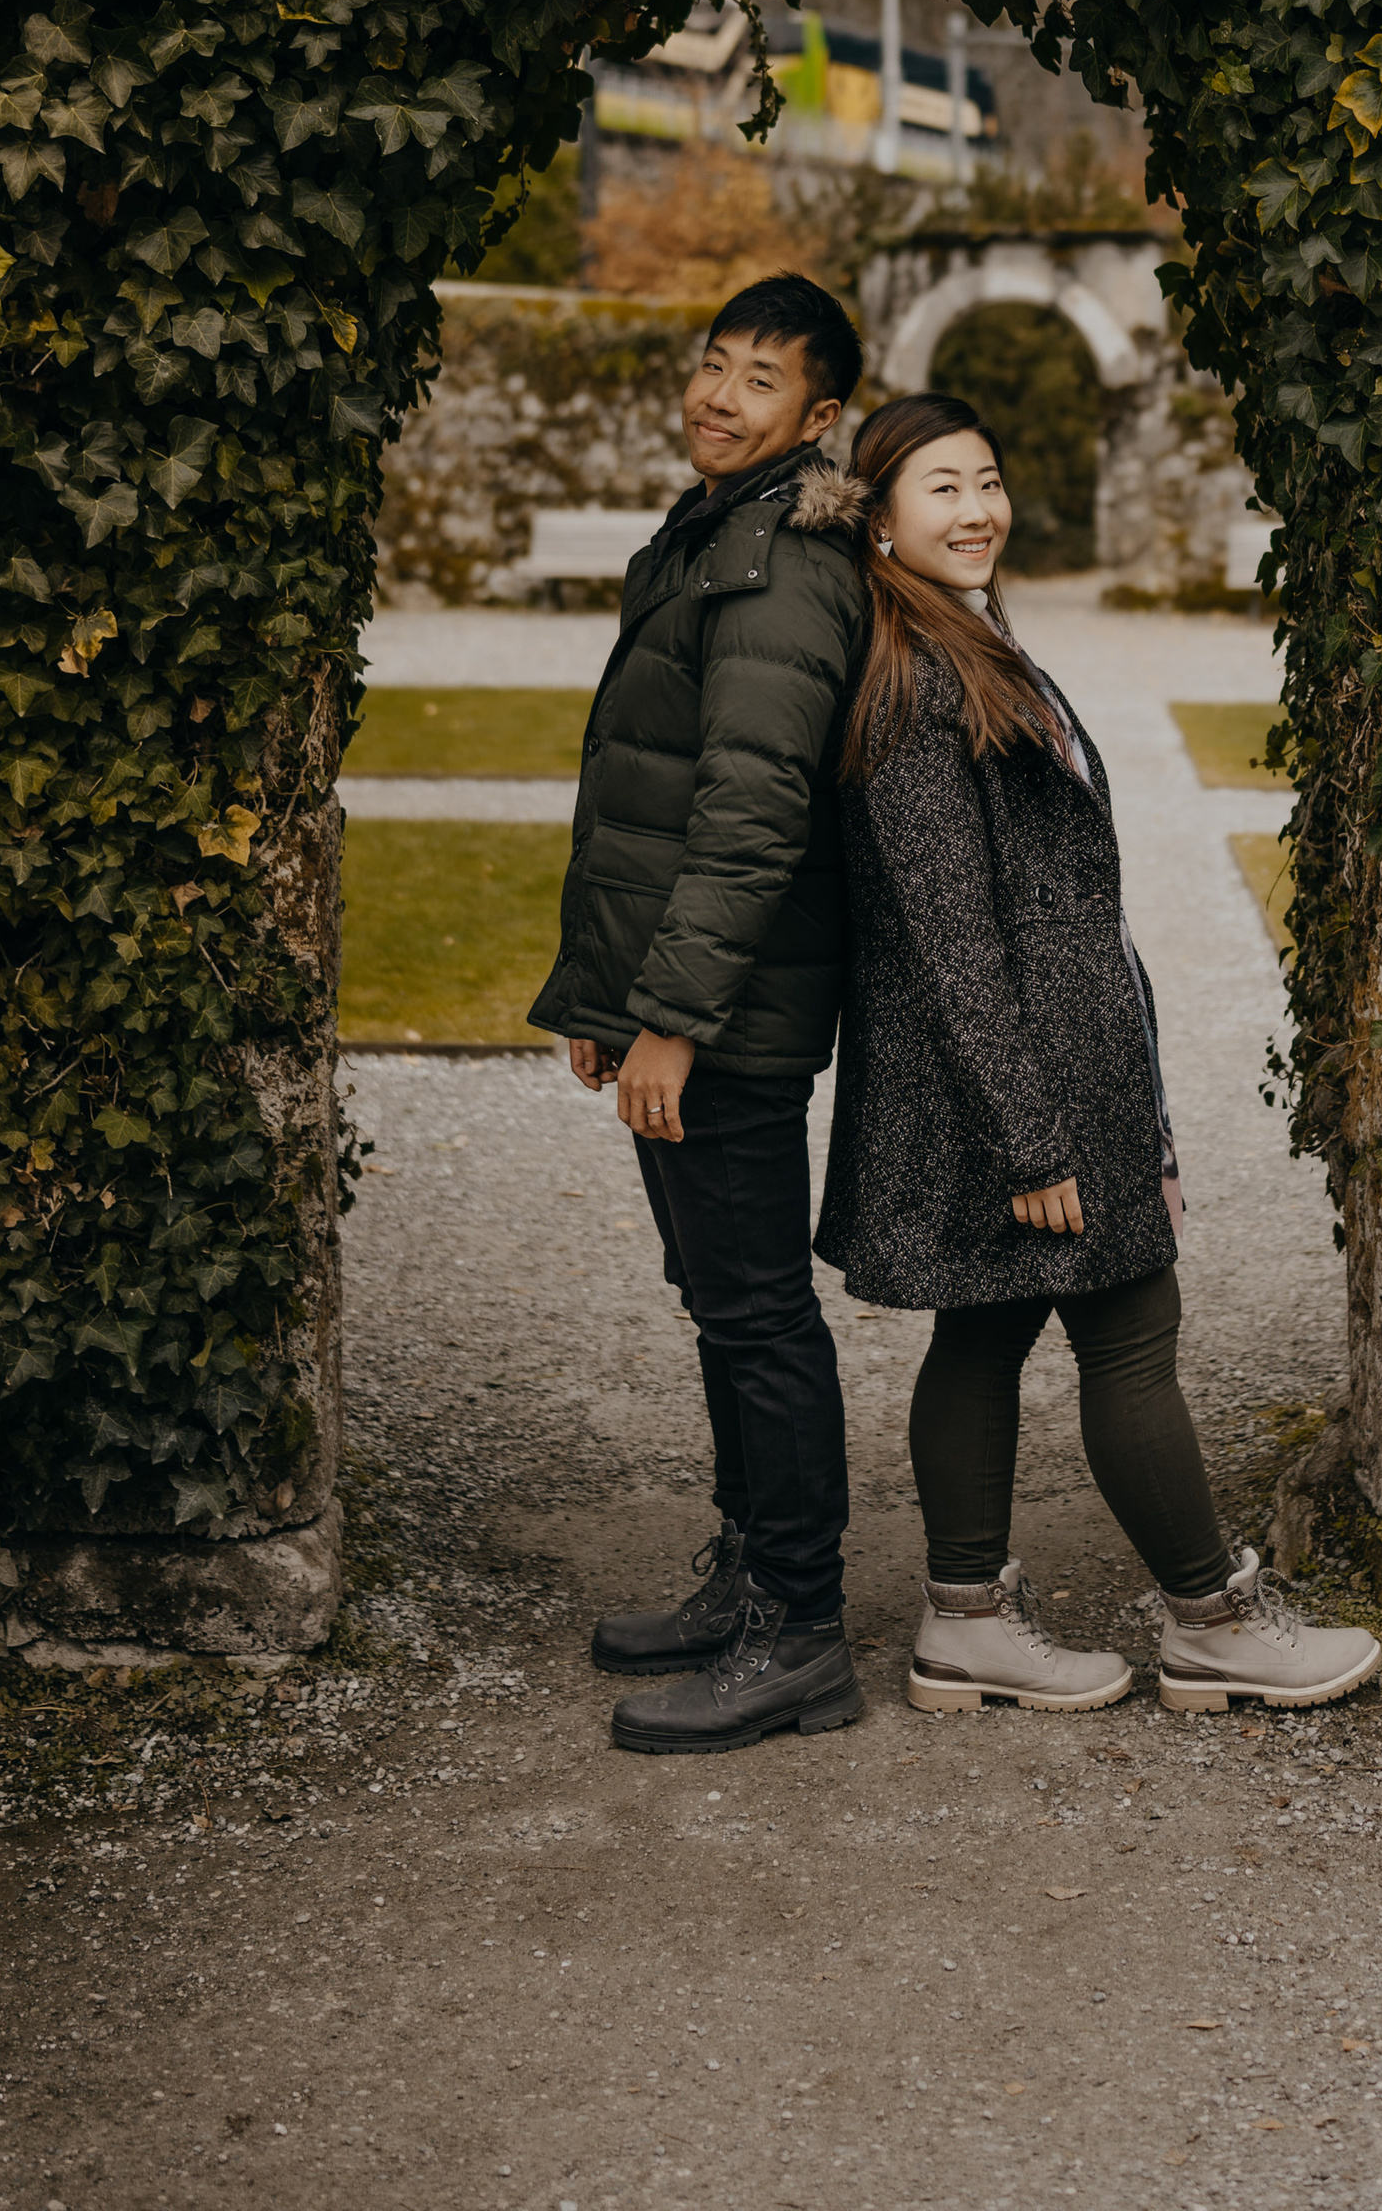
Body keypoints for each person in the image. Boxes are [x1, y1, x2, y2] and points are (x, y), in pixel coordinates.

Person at [815, 391, 1382, 1717]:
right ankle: (1215, 1621)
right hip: (1020, 1089)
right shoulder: (909, 679)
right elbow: (950, 938)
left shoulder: (968, 638)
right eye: (941, 487)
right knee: (1132, 1331)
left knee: (988, 1324)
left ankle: (967, 1623)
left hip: (1054, 1066)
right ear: (880, 521)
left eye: (989, 479)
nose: (977, 509)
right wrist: (1031, 1138)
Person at [527, 269, 873, 1755]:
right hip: (686, 997)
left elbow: (748, 816)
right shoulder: (715, 532)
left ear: (821, 417)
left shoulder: (782, 562)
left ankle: (799, 1632)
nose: (719, 396)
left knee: (757, 1313)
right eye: (712, 365)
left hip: (731, 1010)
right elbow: (641, 796)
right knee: (722, 1306)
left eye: (759, 378)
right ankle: (750, 1581)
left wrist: (674, 1017)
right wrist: (613, 998)